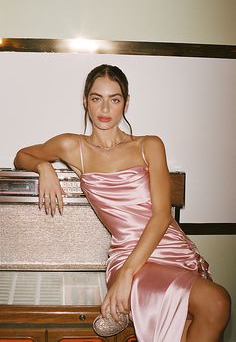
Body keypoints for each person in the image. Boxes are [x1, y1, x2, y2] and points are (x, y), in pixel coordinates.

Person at [14, 64, 231, 342]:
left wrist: (130, 273)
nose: (105, 109)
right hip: (126, 253)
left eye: (114, 99)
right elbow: (22, 156)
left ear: (125, 103)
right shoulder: (73, 147)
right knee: (216, 302)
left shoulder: (149, 145)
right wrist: (45, 167)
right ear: (85, 100)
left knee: (196, 320)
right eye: (96, 98)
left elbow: (162, 215)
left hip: (170, 248)